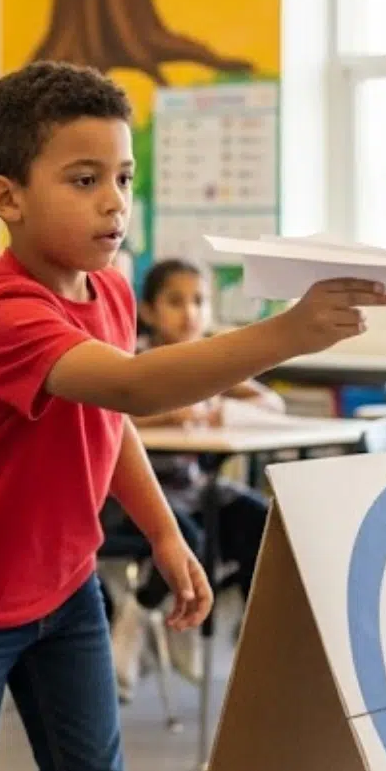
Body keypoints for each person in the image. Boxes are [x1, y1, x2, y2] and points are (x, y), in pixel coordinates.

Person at [0, 60, 386, 771]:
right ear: (8, 198)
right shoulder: (1, 311)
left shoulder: (113, 290)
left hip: (65, 588)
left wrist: (161, 529)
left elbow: (107, 419)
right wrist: (287, 331)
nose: (115, 204)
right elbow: (137, 388)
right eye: (85, 180)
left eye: (123, 178)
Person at [107, 257, 278, 696]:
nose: (190, 313)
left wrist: (220, 408)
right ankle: (139, 612)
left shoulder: (207, 359)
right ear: (147, 311)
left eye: (199, 301)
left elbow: (271, 405)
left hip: (196, 488)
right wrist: (170, 415)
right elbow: (109, 418)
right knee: (186, 538)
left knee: (264, 524)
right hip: (138, 494)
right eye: (176, 302)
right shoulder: (134, 360)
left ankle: (251, 644)